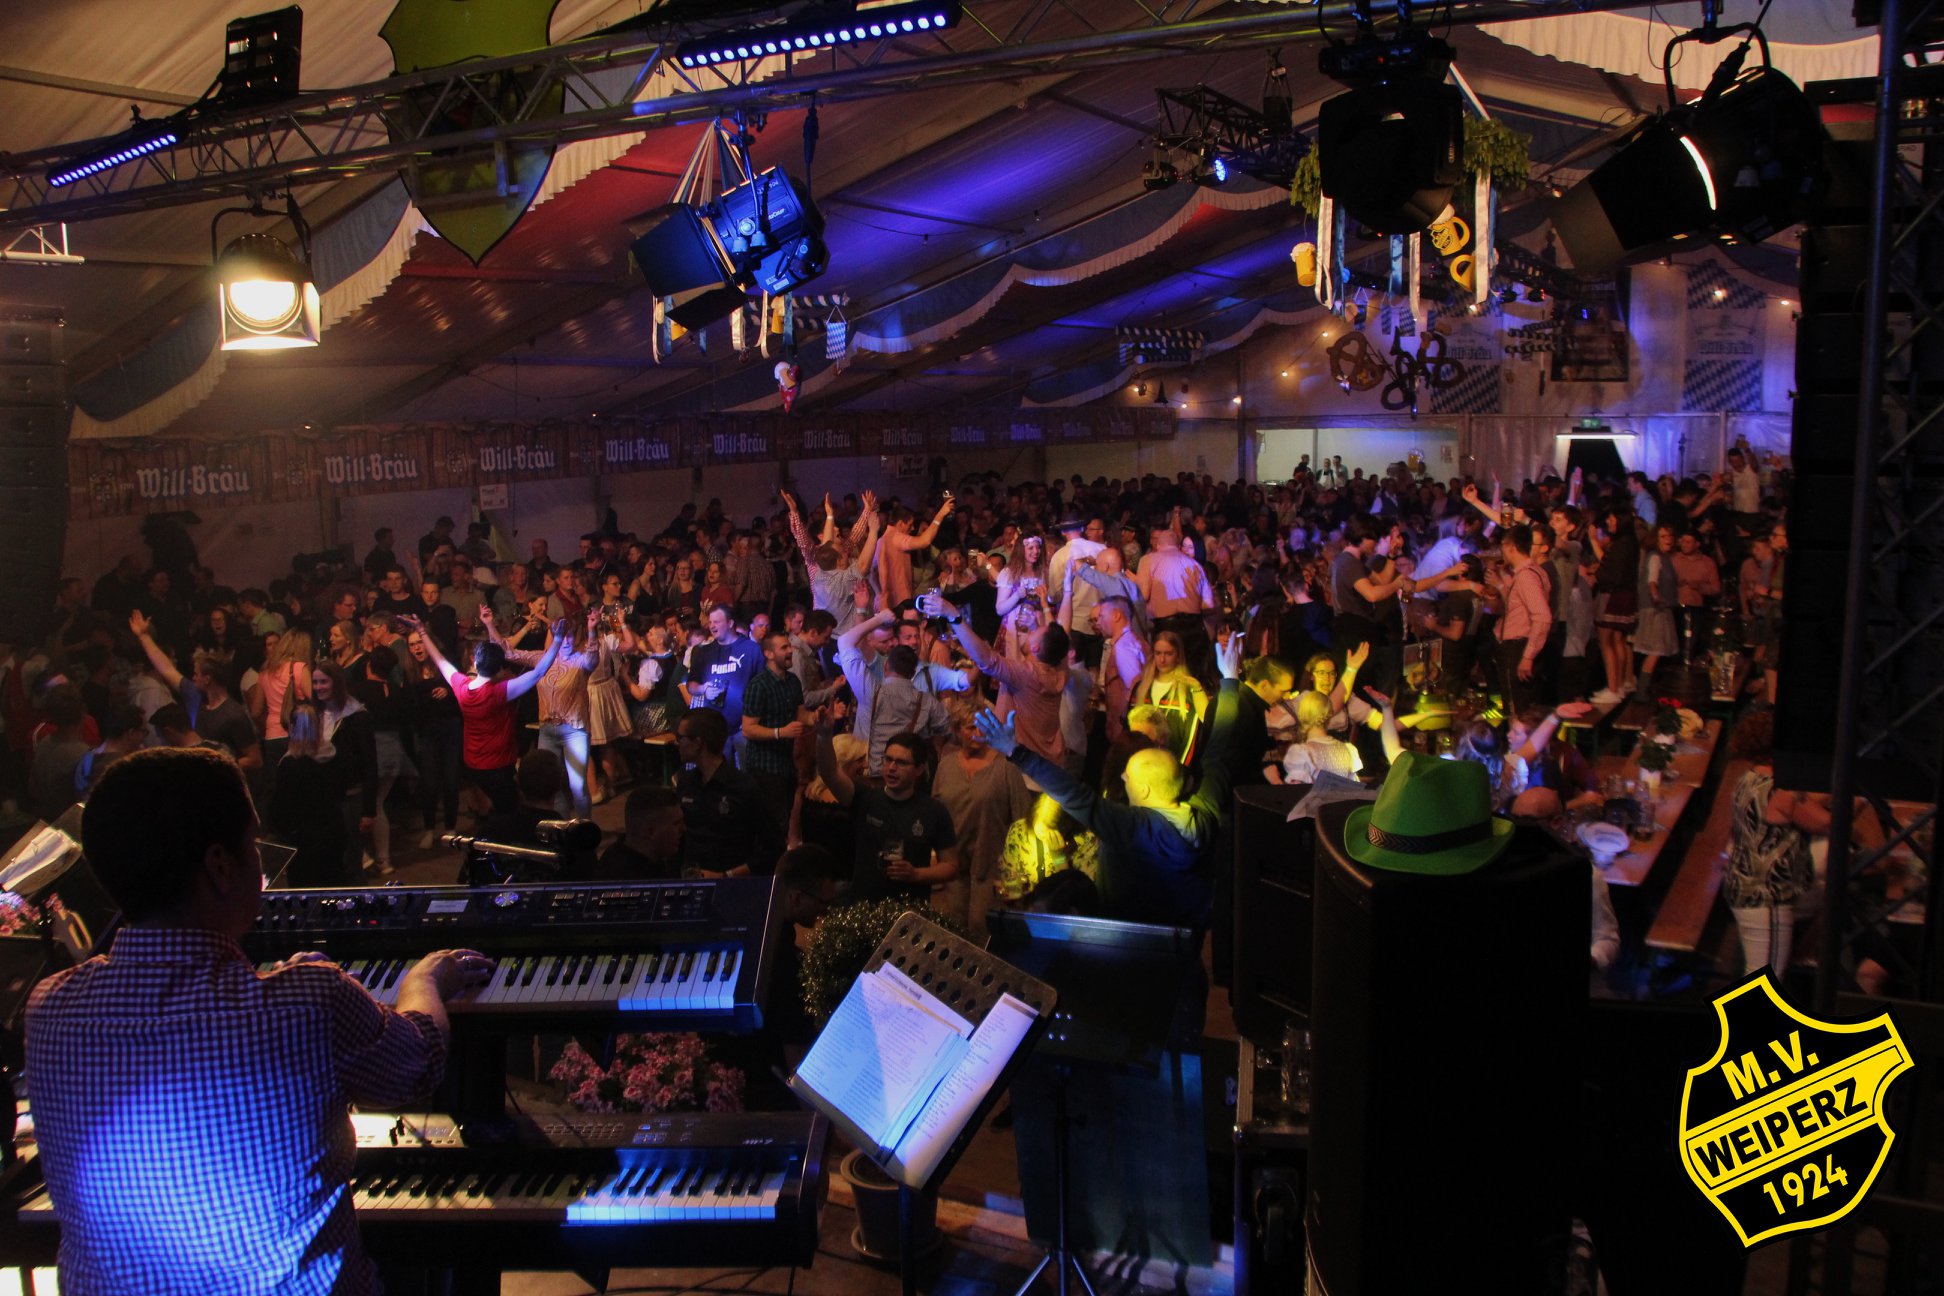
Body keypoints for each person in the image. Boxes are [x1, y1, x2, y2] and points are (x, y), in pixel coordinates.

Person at [24, 747, 490, 1295]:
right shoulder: (306, 1001)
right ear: (220, 867)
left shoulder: (49, 1006)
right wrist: (426, 981)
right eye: (253, 843)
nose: (260, 863)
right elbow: (418, 1062)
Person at [973, 634, 1245, 927]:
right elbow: (1220, 749)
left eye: (1130, 774)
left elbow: (1075, 795)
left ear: (1145, 789)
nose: (1124, 776)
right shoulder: (1204, 812)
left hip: (1127, 942)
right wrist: (1230, 681)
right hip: (1182, 942)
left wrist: (1015, 751)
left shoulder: (1132, 828)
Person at [401, 614, 562, 814]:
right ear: (499, 668)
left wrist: (421, 630)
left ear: (475, 664)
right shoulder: (499, 692)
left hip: (474, 765)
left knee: (499, 807)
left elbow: (440, 660)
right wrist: (557, 640)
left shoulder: (461, 686)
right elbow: (538, 672)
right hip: (499, 765)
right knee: (510, 811)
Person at [814, 723, 961, 904]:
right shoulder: (865, 798)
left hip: (909, 910)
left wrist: (916, 874)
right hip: (864, 909)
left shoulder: (934, 810)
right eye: (888, 759)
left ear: (919, 769)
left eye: (901, 762)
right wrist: (824, 735)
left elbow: (951, 866)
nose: (891, 767)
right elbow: (829, 772)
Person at [675, 707, 783, 876]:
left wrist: (727, 876)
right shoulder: (686, 782)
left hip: (732, 885)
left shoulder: (743, 786)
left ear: (697, 743)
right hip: (691, 881)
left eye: (680, 738)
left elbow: (774, 848)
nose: (677, 743)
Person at [684, 605, 764, 767]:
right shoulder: (704, 652)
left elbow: (763, 686)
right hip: (716, 730)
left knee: (746, 774)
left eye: (717, 622)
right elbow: (690, 685)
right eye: (710, 622)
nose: (712, 626)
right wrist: (703, 689)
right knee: (720, 774)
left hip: (744, 728)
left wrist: (754, 718)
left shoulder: (751, 649)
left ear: (730, 623)